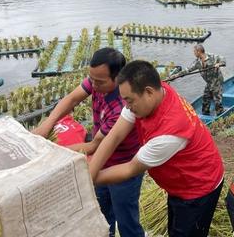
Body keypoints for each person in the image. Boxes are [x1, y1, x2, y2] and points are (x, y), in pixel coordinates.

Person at [88, 60, 224, 237]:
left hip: (199, 186)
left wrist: (86, 181)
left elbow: (130, 169)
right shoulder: (152, 92)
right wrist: (90, 173)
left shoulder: (169, 133)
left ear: (149, 93)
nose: (126, 106)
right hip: (178, 180)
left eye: (129, 101)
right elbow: (114, 136)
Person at [33, 48, 144, 237]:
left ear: (118, 78)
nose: (93, 84)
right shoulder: (97, 81)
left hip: (122, 169)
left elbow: (94, 146)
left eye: (99, 81)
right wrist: (46, 125)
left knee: (127, 222)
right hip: (100, 162)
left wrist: (51, 151)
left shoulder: (121, 107)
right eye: (91, 78)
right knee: (100, 215)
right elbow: (71, 99)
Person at [176, 44, 226, 115]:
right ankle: (205, 114)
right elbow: (188, 70)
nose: (194, 53)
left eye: (194, 51)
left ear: (199, 52)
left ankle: (220, 112)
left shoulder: (212, 57)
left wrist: (219, 64)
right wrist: (177, 75)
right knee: (205, 99)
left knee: (217, 101)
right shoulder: (197, 62)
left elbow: (223, 59)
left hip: (216, 81)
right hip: (209, 83)